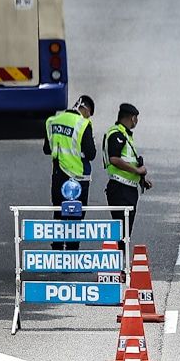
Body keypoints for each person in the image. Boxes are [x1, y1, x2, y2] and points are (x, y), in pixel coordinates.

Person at [43, 95, 96, 250]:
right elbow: (91, 154)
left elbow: (47, 149)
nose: (88, 117)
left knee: (59, 213)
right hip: (79, 178)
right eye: (89, 114)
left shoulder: (53, 121)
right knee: (76, 217)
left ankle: (57, 251)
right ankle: (72, 253)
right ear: (86, 109)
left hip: (58, 176)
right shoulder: (83, 124)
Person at [103, 103, 153, 252]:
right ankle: (121, 260)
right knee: (122, 231)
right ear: (132, 118)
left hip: (127, 188)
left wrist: (141, 178)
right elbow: (114, 159)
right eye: (136, 118)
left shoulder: (124, 135)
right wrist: (137, 170)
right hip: (120, 188)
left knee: (125, 231)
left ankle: (122, 259)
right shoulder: (117, 135)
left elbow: (127, 160)